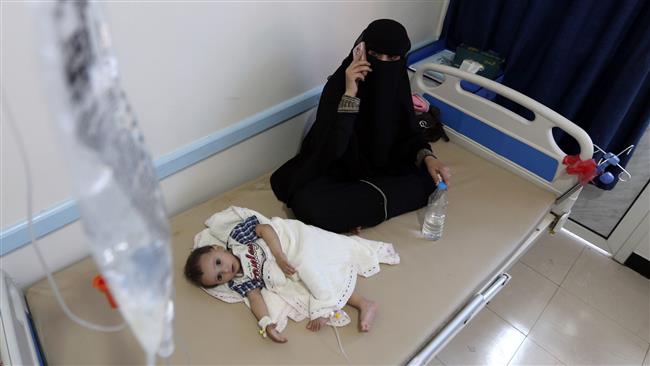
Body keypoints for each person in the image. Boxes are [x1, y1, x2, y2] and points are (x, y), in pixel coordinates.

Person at [270, 19, 451, 234]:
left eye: (392, 58)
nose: (383, 63)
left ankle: (359, 210)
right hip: (338, 169)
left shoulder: (397, 83)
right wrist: (350, 94)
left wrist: (427, 157)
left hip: (386, 167)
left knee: (430, 181)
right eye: (375, 55)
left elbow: (408, 134)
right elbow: (332, 147)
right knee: (307, 203)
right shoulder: (338, 85)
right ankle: (367, 207)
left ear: (400, 59)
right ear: (362, 51)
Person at [184, 208, 393, 343]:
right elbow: (255, 298)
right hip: (286, 272)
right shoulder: (241, 281)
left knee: (306, 264)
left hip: (289, 245)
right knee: (303, 286)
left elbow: (265, 229)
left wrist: (279, 255)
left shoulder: (238, 239)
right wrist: (266, 323)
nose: (225, 271)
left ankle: (328, 305)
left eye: (218, 263)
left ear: (216, 247)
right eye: (219, 277)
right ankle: (363, 304)